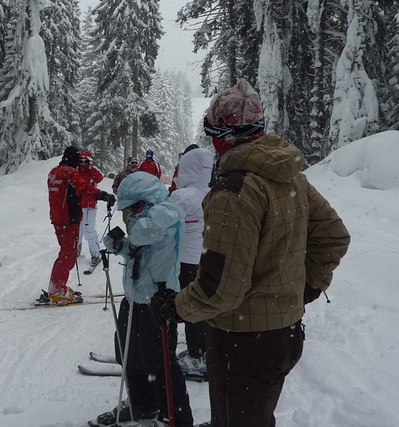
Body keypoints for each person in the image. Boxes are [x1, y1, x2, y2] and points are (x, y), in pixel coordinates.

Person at [150, 79, 351, 427]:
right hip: (283, 334)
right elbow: (333, 235)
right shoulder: (290, 178)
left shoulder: (234, 190)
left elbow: (220, 289)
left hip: (242, 342)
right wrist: (306, 288)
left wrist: (175, 308)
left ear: (219, 137)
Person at [92, 171, 193, 427]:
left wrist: (132, 237)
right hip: (134, 296)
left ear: (149, 198)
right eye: (129, 210)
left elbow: (146, 234)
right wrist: (121, 247)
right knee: (129, 356)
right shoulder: (144, 217)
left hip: (159, 301)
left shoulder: (169, 210)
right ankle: (142, 405)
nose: (133, 214)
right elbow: (137, 248)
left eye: (135, 207)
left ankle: (175, 418)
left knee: (160, 364)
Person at [44, 146, 115, 304]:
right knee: (68, 256)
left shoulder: (53, 172)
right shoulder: (70, 172)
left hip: (57, 218)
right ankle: (57, 291)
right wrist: (102, 195)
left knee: (64, 253)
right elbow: (84, 189)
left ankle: (56, 286)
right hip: (69, 219)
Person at [168, 145, 214, 380]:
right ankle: (201, 351)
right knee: (200, 305)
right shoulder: (213, 192)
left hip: (184, 261)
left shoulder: (182, 196)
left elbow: (165, 227)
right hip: (205, 259)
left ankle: (198, 358)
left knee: (184, 305)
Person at [76, 151, 105, 265]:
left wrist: (90, 167)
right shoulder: (76, 171)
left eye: (85, 160)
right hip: (77, 204)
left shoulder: (91, 171)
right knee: (78, 229)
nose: (83, 163)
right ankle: (76, 249)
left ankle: (95, 253)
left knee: (89, 229)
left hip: (90, 205)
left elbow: (99, 178)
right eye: (81, 160)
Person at [112, 157, 139, 232]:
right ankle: (130, 236)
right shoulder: (122, 174)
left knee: (138, 220)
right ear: (129, 164)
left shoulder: (140, 174)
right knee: (127, 220)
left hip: (138, 201)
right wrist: (121, 193)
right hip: (126, 202)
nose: (134, 165)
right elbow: (115, 186)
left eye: (135, 163)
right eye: (132, 163)